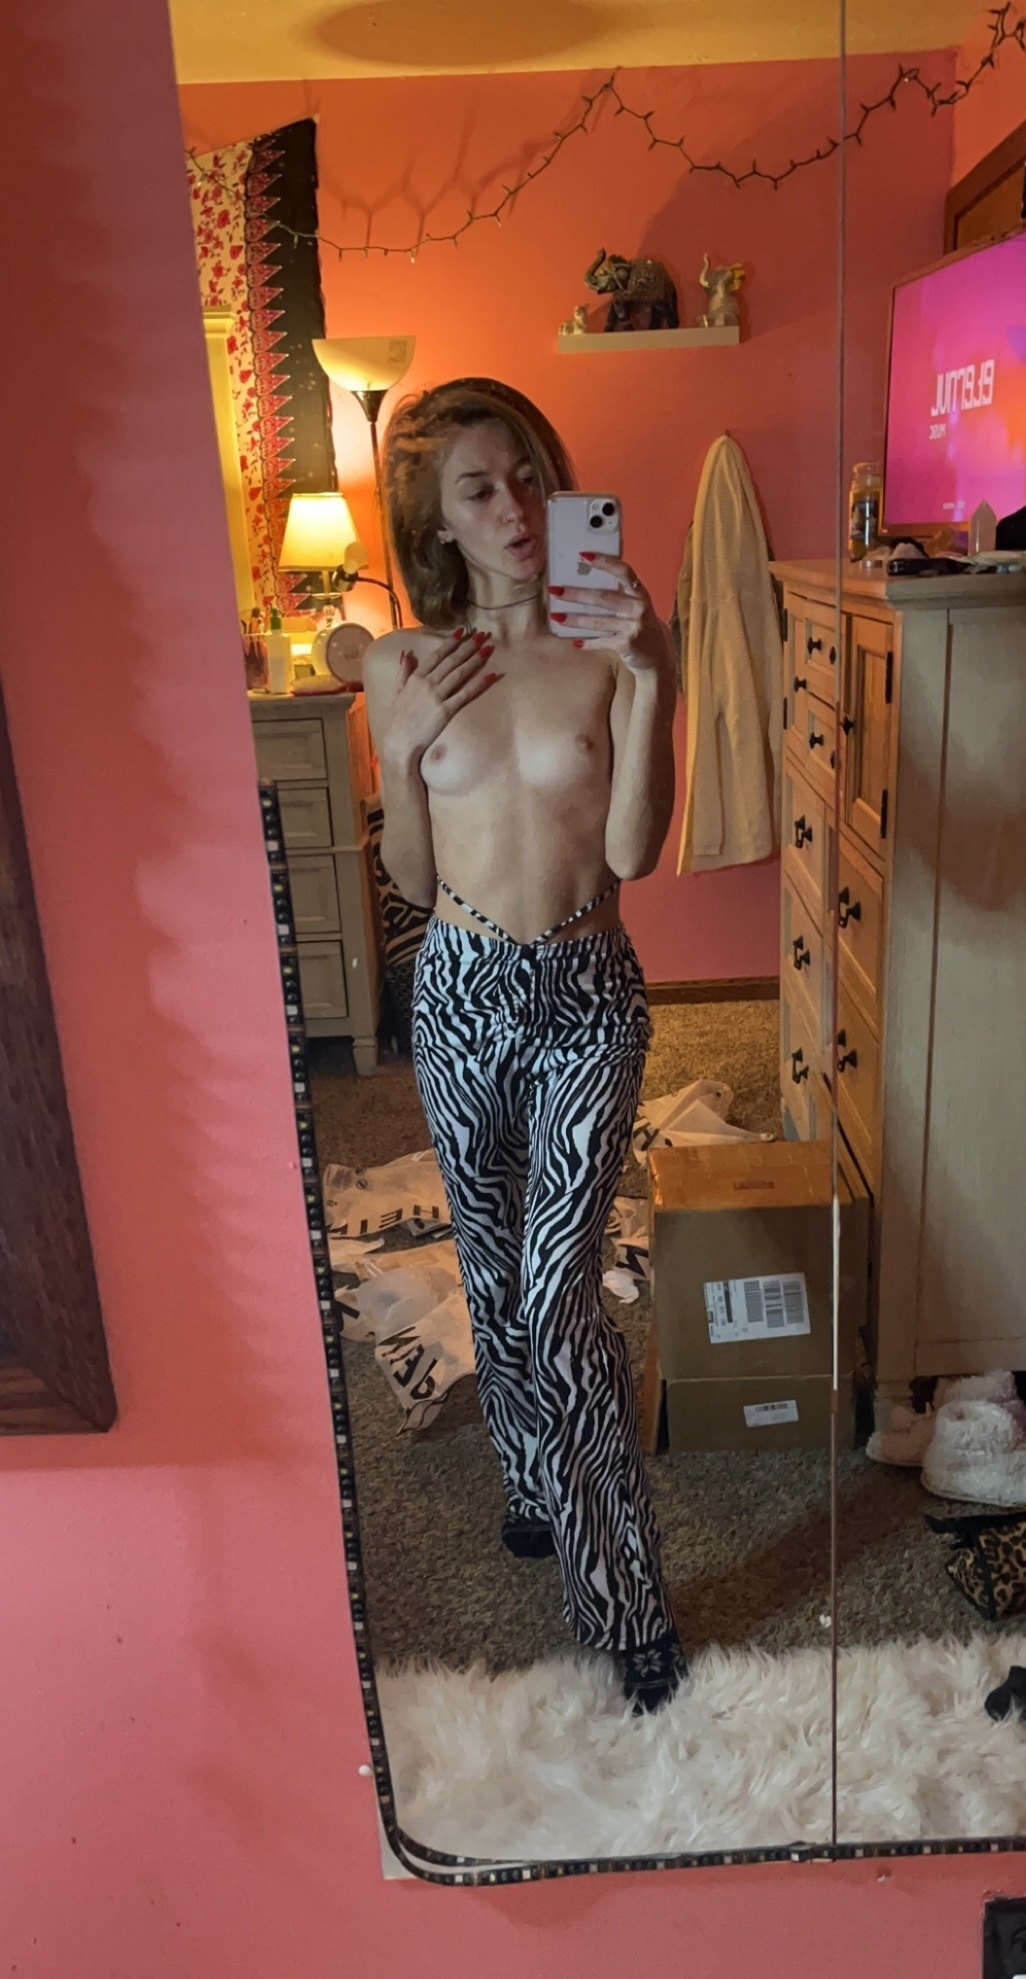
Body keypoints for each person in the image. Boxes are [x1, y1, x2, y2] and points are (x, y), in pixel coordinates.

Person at [363, 377, 685, 1715]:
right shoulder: (402, 665)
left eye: (531, 478)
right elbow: (405, 876)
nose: (515, 508)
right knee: (492, 1269)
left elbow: (633, 852)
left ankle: (625, 1602)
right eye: (480, 490)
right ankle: (526, 1475)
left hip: (586, 990)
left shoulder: (608, 645)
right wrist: (398, 753)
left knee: (558, 1295)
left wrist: (655, 672)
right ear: (436, 522)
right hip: (457, 988)